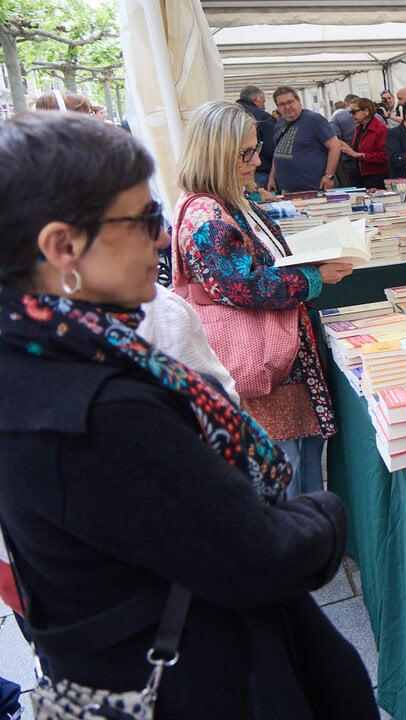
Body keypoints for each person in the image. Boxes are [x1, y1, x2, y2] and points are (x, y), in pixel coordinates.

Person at [0, 111, 377, 718]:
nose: (160, 238)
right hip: (198, 677)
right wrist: (326, 513)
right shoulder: (102, 408)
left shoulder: (41, 355)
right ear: (62, 247)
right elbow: (259, 553)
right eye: (142, 219)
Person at [174, 100, 354, 498]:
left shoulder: (227, 200)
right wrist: (312, 276)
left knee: (297, 469)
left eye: (256, 149)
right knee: (285, 476)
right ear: (215, 153)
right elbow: (240, 286)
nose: (256, 160)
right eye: (246, 153)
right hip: (263, 370)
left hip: (278, 366)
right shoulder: (207, 212)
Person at [267, 86, 342, 193]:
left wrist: (329, 176)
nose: (287, 107)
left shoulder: (314, 120)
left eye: (290, 102)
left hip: (315, 189)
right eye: (282, 104)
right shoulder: (280, 123)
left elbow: (335, 146)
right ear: (277, 107)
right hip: (287, 190)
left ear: (298, 101)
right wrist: (272, 176)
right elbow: (278, 151)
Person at [344, 97, 390, 190]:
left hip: (376, 177)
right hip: (361, 174)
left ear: (366, 111)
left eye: (354, 112)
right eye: (350, 112)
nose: (351, 116)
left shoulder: (380, 129)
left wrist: (361, 155)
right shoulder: (360, 128)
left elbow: (384, 155)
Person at [236, 85, 276, 190]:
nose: (264, 107)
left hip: (233, 177)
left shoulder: (229, 114)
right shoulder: (263, 118)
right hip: (259, 174)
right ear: (255, 100)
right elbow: (270, 150)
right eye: (263, 102)